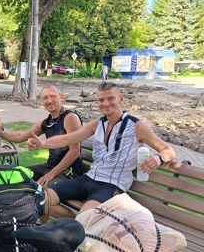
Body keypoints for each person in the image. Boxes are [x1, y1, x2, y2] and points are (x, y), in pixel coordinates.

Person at [26, 81, 176, 218]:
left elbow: (168, 151)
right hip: (88, 179)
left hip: (111, 186)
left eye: (110, 98)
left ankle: (79, 224)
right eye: (101, 100)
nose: (105, 103)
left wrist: (159, 158)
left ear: (121, 99)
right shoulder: (98, 123)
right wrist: (42, 143)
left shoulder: (137, 126)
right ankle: (74, 224)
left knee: (85, 217)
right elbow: (67, 139)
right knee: (40, 199)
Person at [0, 85, 83, 186]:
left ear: (61, 97)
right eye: (45, 98)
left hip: (69, 171)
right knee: (15, 176)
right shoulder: (46, 123)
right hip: (49, 167)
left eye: (52, 96)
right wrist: (0, 132)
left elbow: (75, 151)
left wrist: (50, 175)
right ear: (42, 102)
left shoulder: (70, 118)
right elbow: (20, 137)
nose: (49, 101)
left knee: (41, 189)